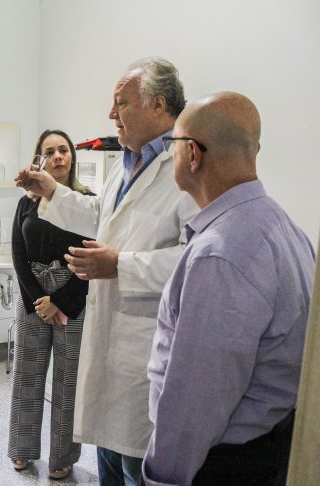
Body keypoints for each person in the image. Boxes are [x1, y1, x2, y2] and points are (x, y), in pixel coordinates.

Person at [15, 57, 198, 486]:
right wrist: (53, 191)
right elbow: (102, 215)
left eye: (121, 103)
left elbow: (197, 258)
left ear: (157, 105)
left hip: (144, 348)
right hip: (109, 345)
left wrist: (120, 265)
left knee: (136, 468)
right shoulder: (128, 161)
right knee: (109, 465)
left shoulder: (186, 166)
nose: (111, 114)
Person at [142, 92, 316, 486]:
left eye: (172, 143)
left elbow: (195, 404)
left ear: (192, 154)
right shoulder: (283, 226)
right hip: (268, 446)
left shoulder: (219, 256)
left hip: (219, 464)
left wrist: (161, 478)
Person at [7, 130, 93, 480]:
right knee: (26, 373)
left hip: (74, 294)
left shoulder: (87, 202)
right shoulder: (27, 203)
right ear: (39, 160)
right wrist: (39, 300)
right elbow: (18, 254)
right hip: (33, 294)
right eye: (50, 151)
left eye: (63, 150)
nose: (58, 156)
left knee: (67, 379)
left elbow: (92, 259)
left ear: (72, 156)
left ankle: (63, 456)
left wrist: (60, 301)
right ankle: (22, 447)